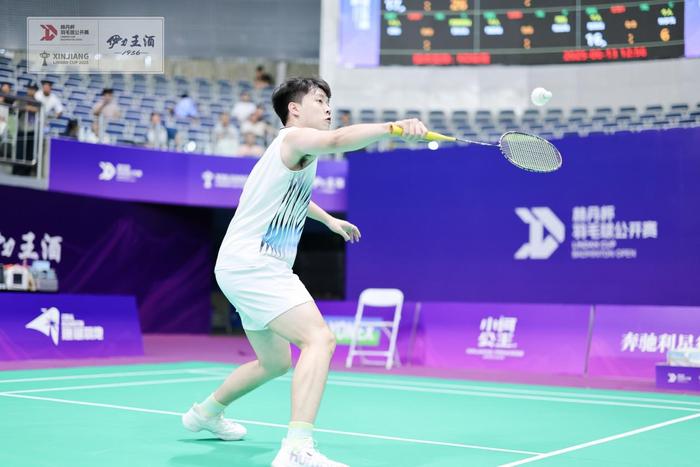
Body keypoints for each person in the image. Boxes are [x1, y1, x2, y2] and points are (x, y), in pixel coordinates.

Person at [181, 77, 427, 467]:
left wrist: (329, 220)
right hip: (255, 264)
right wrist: (394, 129)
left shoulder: (292, 156)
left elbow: (294, 198)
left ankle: (205, 413)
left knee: (275, 363)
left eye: (329, 101)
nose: (328, 108)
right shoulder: (293, 139)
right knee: (319, 339)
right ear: (294, 109)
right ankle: (297, 448)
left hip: (242, 265)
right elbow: (337, 140)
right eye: (320, 100)